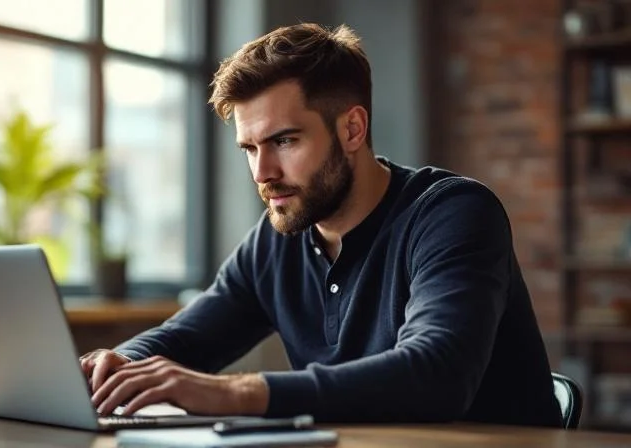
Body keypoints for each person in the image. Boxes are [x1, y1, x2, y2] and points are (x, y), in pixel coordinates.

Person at [80, 23, 563, 427]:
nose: (263, 172)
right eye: (250, 148)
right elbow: (185, 339)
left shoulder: (453, 214)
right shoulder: (277, 238)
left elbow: (437, 374)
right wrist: (113, 365)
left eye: (284, 141)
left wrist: (235, 393)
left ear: (352, 129)